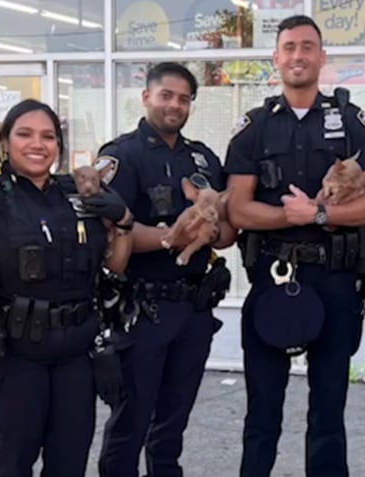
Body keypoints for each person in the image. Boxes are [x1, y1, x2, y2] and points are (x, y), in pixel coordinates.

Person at [224, 15, 365, 476]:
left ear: (321, 57)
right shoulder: (255, 126)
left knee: (329, 410)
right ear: (275, 58)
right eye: (289, 47)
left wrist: (318, 214)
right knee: (262, 411)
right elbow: (237, 209)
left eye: (308, 47)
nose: (298, 55)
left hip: (336, 280)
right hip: (274, 277)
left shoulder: (350, 121)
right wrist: (285, 216)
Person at [0, 99, 133, 476]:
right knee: (16, 457)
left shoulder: (77, 195)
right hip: (17, 353)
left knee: (70, 458)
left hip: (76, 352)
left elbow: (114, 265)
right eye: (25, 134)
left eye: (48, 136)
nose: (38, 144)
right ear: (6, 142)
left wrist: (124, 221)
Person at [97, 62, 236, 477]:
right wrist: (168, 239)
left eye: (184, 98)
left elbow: (229, 230)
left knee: (172, 425)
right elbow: (109, 235)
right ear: (146, 97)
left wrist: (210, 233)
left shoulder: (204, 158)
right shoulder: (122, 156)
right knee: (131, 422)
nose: (175, 105)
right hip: (143, 310)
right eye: (166, 95)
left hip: (193, 310)